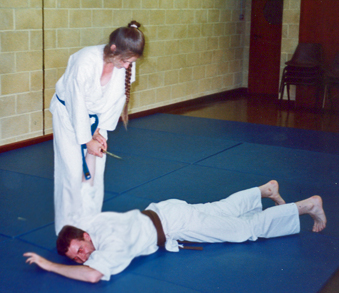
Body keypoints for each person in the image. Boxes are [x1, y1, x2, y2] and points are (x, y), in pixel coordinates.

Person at [24, 180, 327, 283]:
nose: (81, 258)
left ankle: (306, 206)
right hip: (164, 210)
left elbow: (93, 276)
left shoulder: (111, 244)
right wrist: (67, 247)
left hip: (174, 223)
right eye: (74, 257)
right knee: (219, 209)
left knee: (243, 230)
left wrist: (50, 264)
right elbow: (77, 219)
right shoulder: (94, 224)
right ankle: (265, 189)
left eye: (79, 250)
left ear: (86, 237)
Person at [49, 20, 145, 235]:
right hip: (68, 117)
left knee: (93, 175)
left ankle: (90, 225)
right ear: (113, 49)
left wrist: (99, 131)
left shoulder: (125, 63)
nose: (128, 65)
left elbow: (117, 98)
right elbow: (76, 100)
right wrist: (86, 139)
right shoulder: (85, 60)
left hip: (98, 120)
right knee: (72, 173)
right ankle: (68, 231)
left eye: (132, 61)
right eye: (126, 60)